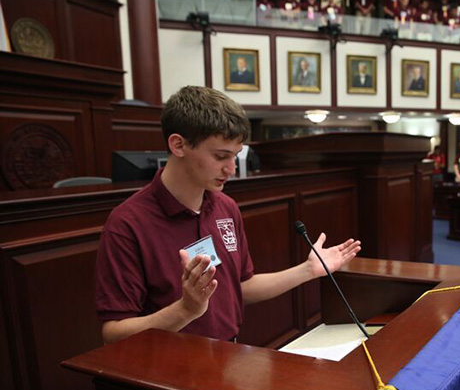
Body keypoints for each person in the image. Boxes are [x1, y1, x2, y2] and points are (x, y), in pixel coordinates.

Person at [96, 86, 361, 348]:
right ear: (178, 145)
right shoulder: (128, 223)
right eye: (221, 156)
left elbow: (240, 286)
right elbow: (114, 333)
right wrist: (186, 310)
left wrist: (307, 271)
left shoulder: (225, 207)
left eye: (235, 156)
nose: (231, 169)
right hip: (168, 369)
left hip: (228, 351)